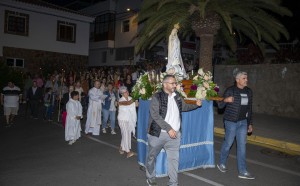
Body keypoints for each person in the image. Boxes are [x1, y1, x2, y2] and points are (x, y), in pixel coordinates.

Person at [145, 75, 202, 186]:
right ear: (165, 84)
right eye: (173, 83)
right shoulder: (156, 97)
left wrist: (196, 104)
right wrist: (168, 128)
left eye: (175, 83)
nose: (175, 85)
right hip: (158, 134)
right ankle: (150, 177)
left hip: (175, 135)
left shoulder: (177, 97)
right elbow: (155, 116)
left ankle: (173, 183)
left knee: (173, 160)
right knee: (151, 157)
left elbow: (184, 107)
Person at [216, 71, 254, 179]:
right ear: (237, 80)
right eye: (244, 78)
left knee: (242, 147)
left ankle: (242, 171)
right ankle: (221, 163)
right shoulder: (230, 90)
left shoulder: (249, 92)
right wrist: (225, 100)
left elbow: (249, 108)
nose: (246, 80)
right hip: (231, 121)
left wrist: (250, 123)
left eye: (246, 78)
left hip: (243, 122)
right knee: (228, 143)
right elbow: (220, 105)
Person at [117, 86, 138, 158]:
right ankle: (128, 151)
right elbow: (128, 103)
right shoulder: (120, 100)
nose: (127, 92)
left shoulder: (130, 98)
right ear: (122, 94)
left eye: (127, 91)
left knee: (127, 134)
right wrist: (137, 95)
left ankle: (121, 146)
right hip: (122, 119)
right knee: (125, 134)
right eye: (125, 92)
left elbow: (136, 105)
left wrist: (137, 99)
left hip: (129, 119)